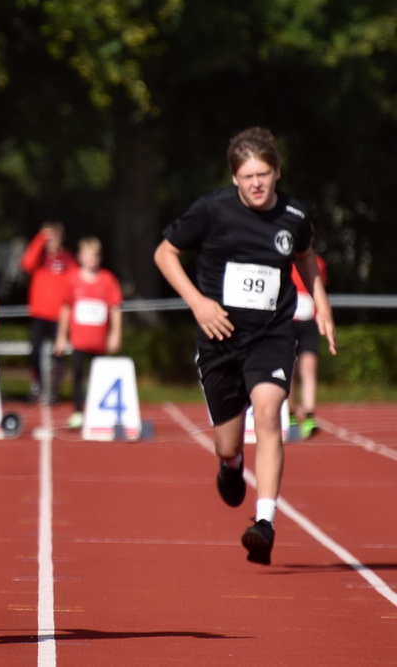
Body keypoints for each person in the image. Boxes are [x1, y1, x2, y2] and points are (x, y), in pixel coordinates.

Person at [154, 127, 335, 566]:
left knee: (271, 412)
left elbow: (305, 256)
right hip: (220, 339)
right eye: (248, 175)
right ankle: (230, 465)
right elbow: (164, 253)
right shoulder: (212, 210)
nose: (256, 183)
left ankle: (265, 522)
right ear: (235, 178)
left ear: (277, 173)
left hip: (272, 334)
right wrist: (199, 304)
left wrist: (321, 302)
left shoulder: (294, 215)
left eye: (264, 174)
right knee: (228, 443)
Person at [53, 236, 123, 429]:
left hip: (99, 340)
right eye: (86, 255)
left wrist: (115, 334)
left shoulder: (108, 280)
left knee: (97, 376)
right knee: (77, 374)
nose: (91, 260)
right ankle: (77, 411)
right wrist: (61, 336)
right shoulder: (73, 278)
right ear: (80, 257)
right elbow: (66, 308)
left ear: (99, 258)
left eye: (94, 256)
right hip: (79, 340)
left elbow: (115, 308)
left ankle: (97, 410)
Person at [20, 220, 76, 403]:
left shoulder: (67, 259)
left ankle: (55, 389)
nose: (52, 241)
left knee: (59, 354)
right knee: (35, 351)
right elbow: (26, 264)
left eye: (55, 237)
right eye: (49, 238)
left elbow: (74, 283)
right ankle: (37, 384)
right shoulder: (39, 257)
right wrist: (40, 238)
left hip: (59, 315)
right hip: (39, 314)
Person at [289, 253, 327, 439]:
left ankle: (310, 415)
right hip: (286, 321)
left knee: (309, 366)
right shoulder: (282, 259)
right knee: (289, 370)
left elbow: (319, 289)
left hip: (308, 321)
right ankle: (290, 416)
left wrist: (322, 314)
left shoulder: (318, 262)